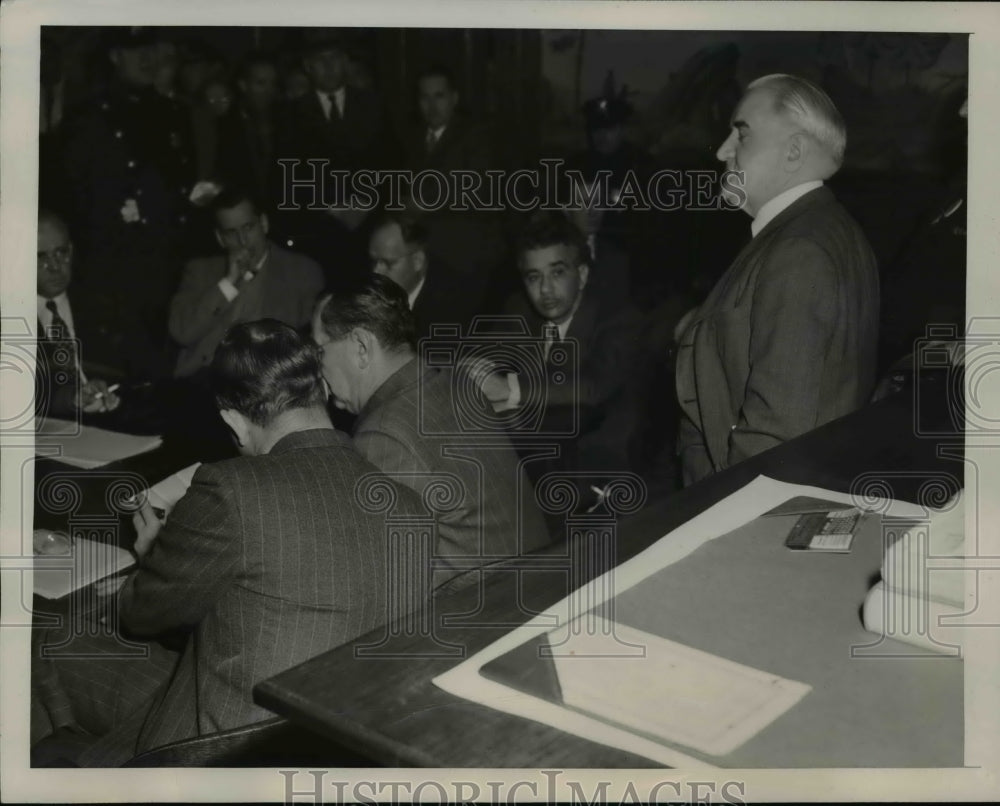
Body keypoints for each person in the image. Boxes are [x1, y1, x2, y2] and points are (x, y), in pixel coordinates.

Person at [31, 320, 424, 766]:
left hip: (216, 751)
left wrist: (153, 555)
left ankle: (75, 770)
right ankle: (84, 756)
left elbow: (142, 615)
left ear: (233, 421)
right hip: (323, 745)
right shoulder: (407, 507)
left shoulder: (230, 489)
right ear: (320, 393)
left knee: (48, 636)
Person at [675, 74, 879, 485]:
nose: (721, 151)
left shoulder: (800, 252)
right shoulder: (822, 230)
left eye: (741, 135)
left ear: (794, 152)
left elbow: (775, 440)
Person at [312, 274, 551, 571]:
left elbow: (374, 574)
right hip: (537, 583)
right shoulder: (453, 383)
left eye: (320, 350)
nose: (318, 368)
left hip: (487, 608)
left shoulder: (383, 436)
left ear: (361, 346)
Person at [474, 211, 646, 495]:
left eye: (557, 272)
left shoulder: (618, 319)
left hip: (601, 477)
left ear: (582, 274)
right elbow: (486, 349)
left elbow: (593, 388)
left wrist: (508, 389)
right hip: (530, 469)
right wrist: (474, 368)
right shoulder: (519, 309)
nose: (545, 290)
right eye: (533, 277)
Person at [59, 27, 196, 379]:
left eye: (151, 49)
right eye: (136, 51)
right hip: (112, 268)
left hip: (165, 262)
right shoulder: (91, 117)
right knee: (118, 371)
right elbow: (73, 198)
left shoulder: (171, 112)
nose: (147, 59)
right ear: (115, 56)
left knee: (161, 366)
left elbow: (182, 185)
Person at [168, 188, 323, 378]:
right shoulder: (200, 271)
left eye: (248, 228)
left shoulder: (302, 271)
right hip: (203, 383)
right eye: (231, 233)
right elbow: (182, 333)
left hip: (270, 384)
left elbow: (308, 343)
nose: (242, 241)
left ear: (264, 224)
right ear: (220, 238)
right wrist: (227, 283)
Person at [402, 64, 503, 315]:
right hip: (425, 254)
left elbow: (478, 189)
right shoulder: (412, 138)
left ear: (454, 98)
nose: (432, 105)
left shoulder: (476, 136)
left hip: (465, 254)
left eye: (439, 96)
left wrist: (424, 204)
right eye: (424, 97)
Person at [35, 209, 121, 418]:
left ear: (71, 252)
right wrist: (70, 399)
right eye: (40, 256)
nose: (55, 266)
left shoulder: (103, 305)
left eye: (61, 252)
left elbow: (136, 373)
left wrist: (109, 391)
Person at [367, 211, 481, 341]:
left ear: (417, 260)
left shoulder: (451, 310)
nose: (376, 272)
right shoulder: (369, 294)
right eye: (374, 261)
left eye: (388, 263)